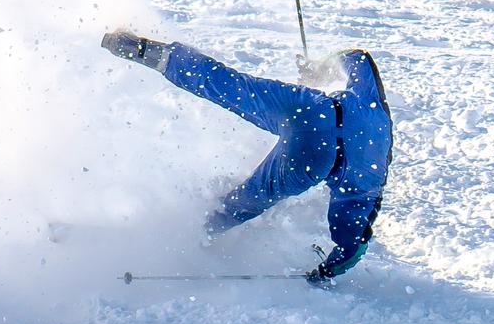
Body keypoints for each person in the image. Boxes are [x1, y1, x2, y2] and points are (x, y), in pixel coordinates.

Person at [101, 31, 393, 286]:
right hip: (312, 160)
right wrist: (326, 271)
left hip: (311, 109)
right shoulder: (369, 184)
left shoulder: (372, 103)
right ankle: (196, 231)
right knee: (250, 199)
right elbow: (351, 248)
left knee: (234, 86)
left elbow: (358, 57)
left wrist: (317, 70)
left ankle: (153, 53)